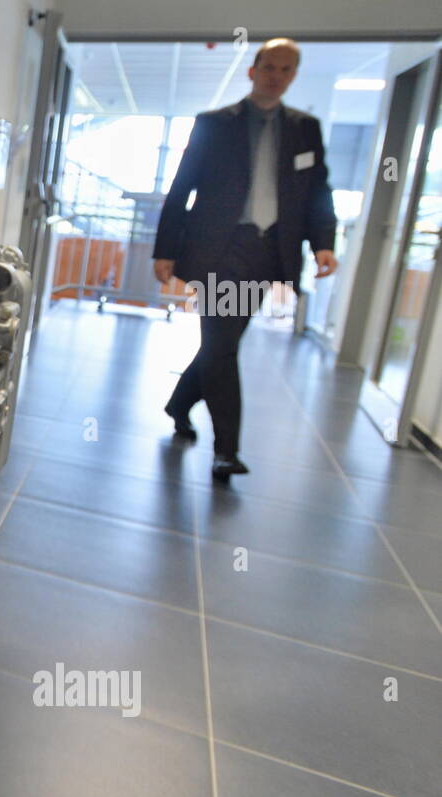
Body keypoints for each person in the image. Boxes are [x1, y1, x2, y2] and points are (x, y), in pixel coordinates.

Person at [153, 37, 338, 481]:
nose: (276, 76)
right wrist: (166, 249)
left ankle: (179, 404)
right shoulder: (214, 124)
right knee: (221, 347)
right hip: (220, 249)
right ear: (253, 71)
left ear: (293, 76)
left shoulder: (305, 129)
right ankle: (226, 450)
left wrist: (323, 243)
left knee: (223, 345)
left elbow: (317, 193)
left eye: (286, 69)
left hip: (267, 252)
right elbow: (182, 188)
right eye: (269, 67)